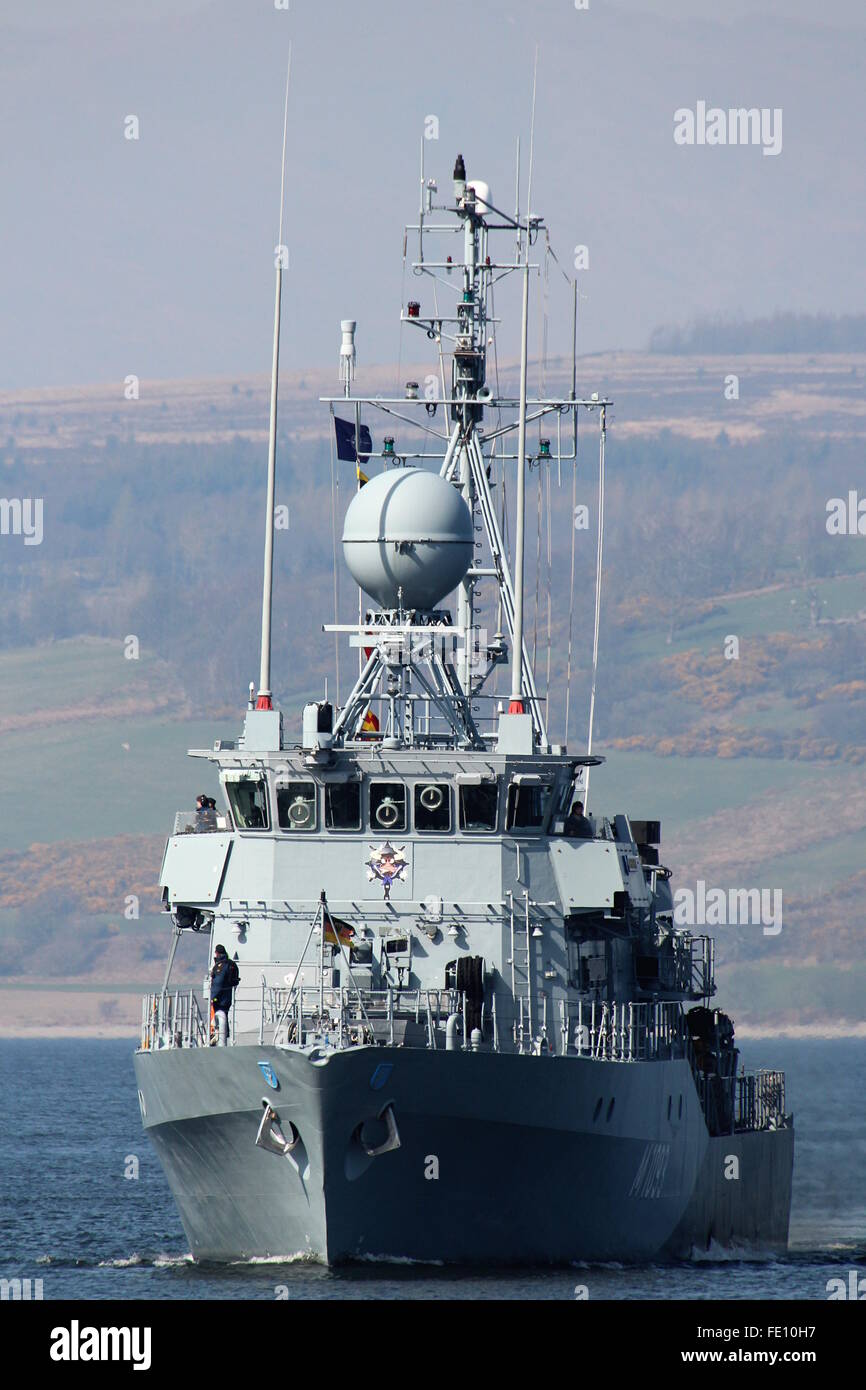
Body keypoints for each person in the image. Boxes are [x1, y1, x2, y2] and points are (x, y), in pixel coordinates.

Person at [210, 944, 235, 1046]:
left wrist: (213, 997)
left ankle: (221, 1038)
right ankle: (222, 1036)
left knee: (221, 1015)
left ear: (217, 953)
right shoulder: (230, 964)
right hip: (228, 996)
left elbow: (218, 983)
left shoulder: (221, 966)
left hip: (220, 998)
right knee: (224, 1015)